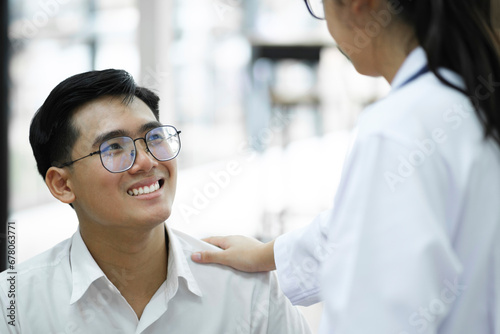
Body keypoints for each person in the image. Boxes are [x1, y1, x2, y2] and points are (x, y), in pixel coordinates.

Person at [191, 0, 500, 333]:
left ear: (358, 5)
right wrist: (269, 254)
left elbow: (377, 315)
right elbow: (373, 227)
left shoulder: (398, 130)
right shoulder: (466, 102)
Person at [0, 69, 311, 334]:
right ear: (62, 184)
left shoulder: (245, 288)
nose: (146, 162)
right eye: (114, 148)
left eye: (154, 138)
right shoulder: (14, 303)